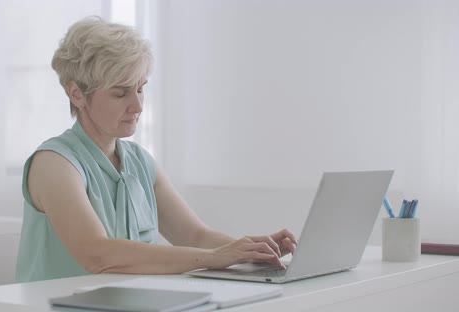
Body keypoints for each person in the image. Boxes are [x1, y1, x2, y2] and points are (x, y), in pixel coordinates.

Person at [15, 16, 298, 283]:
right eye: (120, 92)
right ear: (76, 94)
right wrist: (217, 257)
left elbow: (195, 236)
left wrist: (253, 250)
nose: (138, 106)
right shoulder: (54, 164)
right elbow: (96, 254)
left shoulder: (140, 162)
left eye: (140, 88)